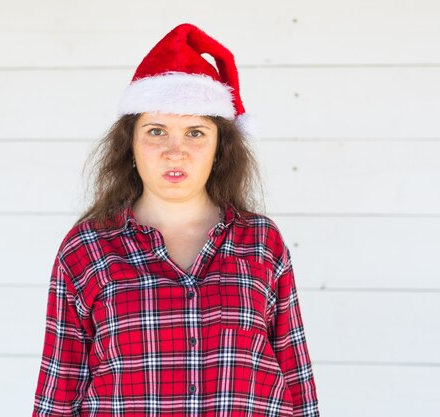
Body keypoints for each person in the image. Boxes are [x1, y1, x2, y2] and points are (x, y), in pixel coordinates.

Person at [32, 23, 320, 417]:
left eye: (195, 133)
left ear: (220, 148)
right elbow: (59, 386)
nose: (175, 151)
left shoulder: (260, 242)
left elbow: (295, 376)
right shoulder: (88, 248)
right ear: (130, 145)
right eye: (156, 131)